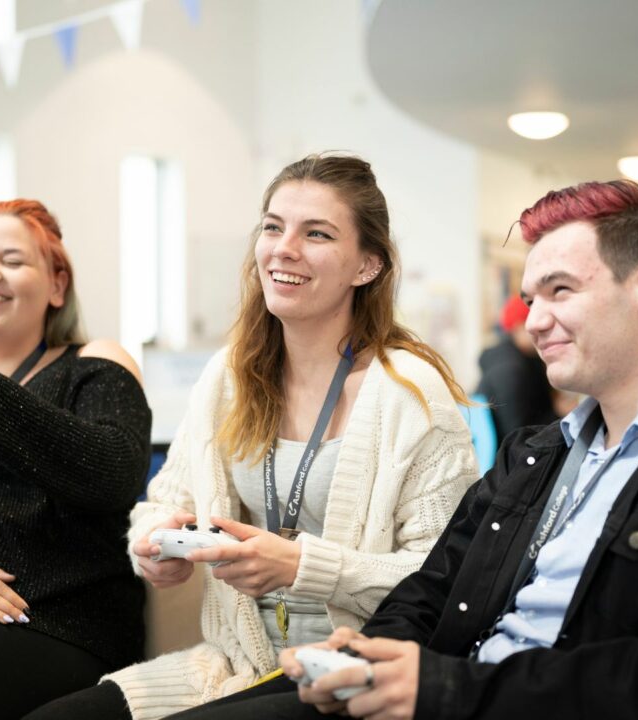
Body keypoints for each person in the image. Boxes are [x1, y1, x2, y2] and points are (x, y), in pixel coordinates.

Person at [156, 178, 638, 719]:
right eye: (530, 298)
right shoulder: (539, 454)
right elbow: (434, 585)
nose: (534, 321)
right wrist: (363, 653)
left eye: (561, 291)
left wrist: (442, 686)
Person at [25, 154, 478, 720]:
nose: (283, 248)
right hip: (235, 664)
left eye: (316, 233)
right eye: (272, 226)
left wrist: (297, 566)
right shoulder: (230, 376)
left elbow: (450, 575)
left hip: (351, 670)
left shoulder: (411, 393)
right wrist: (156, 545)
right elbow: (164, 502)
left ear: (367, 266)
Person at [0, 200, 152, 718]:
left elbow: (110, 475)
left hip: (62, 622)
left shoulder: (94, 364)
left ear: (56, 285)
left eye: (12, 259)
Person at [476, 293, 558, 442]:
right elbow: (518, 435)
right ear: (518, 327)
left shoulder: (526, 359)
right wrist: (559, 414)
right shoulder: (510, 370)